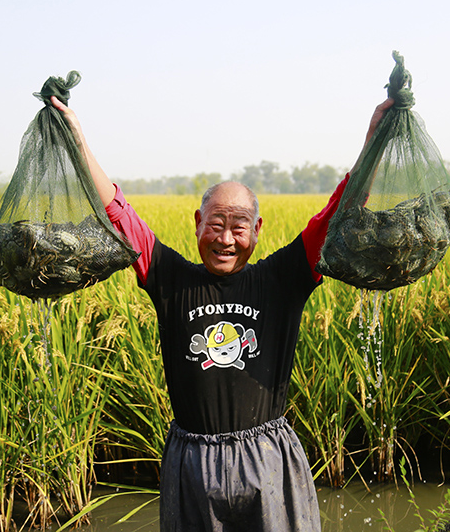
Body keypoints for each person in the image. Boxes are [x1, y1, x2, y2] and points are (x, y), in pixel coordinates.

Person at [51, 95, 393, 532]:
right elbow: (119, 214)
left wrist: (374, 141)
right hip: (193, 463)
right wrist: (78, 142)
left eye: (239, 225)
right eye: (216, 223)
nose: (226, 238)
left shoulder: (281, 278)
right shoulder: (170, 278)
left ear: (256, 230)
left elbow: (337, 215)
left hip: (267, 459)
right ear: (197, 223)